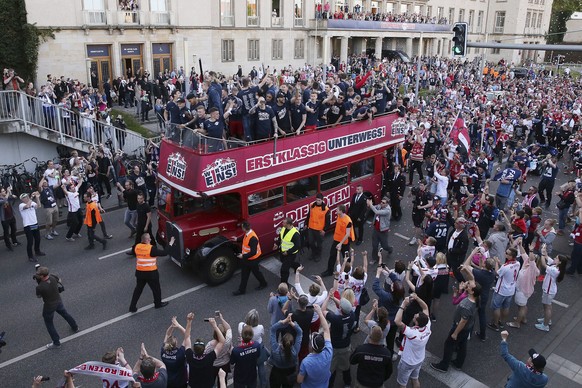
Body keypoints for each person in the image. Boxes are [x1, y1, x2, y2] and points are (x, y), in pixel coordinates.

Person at [430, 279, 481, 373]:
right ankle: (458, 363)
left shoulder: (467, 305)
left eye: (469, 285)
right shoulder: (476, 299)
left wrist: (455, 333)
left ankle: (444, 365)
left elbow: (463, 321)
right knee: (462, 345)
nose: (467, 285)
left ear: (472, 291)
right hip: (468, 328)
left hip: (460, 327)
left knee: (449, 345)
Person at [128, 233, 175, 312]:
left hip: (140, 272)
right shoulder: (151, 249)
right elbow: (164, 253)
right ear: (146, 240)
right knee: (156, 289)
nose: (150, 239)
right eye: (149, 238)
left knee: (138, 290)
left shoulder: (137, 246)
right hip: (151, 273)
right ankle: (158, 304)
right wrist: (171, 243)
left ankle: (132, 307)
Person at [34, 266, 78, 349]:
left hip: (49, 306)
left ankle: (56, 342)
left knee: (49, 323)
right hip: (58, 301)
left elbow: (38, 296)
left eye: (38, 274)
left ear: (42, 276)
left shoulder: (40, 287)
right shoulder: (53, 277)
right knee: (65, 314)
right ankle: (75, 327)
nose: (37, 275)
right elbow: (59, 280)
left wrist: (38, 284)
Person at [394, 293, 431, 388]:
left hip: (408, 361)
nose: (414, 315)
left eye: (415, 317)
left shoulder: (413, 333)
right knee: (415, 378)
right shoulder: (427, 326)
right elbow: (426, 307)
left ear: (417, 322)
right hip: (419, 359)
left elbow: (397, 321)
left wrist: (403, 305)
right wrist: (417, 298)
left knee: (402, 383)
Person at [323, 293, 356, 387]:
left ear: (340, 309)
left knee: (331, 369)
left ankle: (330, 385)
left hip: (334, 347)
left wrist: (329, 298)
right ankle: (347, 383)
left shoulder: (335, 319)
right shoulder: (352, 315)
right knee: (346, 367)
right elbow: (345, 307)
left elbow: (323, 310)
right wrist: (334, 298)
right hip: (346, 345)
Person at [297, 304, 332, 387]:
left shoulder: (306, 362)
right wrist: (320, 313)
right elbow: (326, 330)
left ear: (311, 346)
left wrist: (319, 312)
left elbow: (299, 380)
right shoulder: (329, 351)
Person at [185, 316, 225, 388]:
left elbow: (187, 337)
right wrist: (215, 326)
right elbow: (222, 342)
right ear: (204, 349)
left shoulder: (190, 356)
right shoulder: (209, 357)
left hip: (194, 385)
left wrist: (189, 321)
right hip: (208, 385)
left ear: (194, 348)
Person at [535, 246, 568, 332]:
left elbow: (543, 264)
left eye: (556, 258)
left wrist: (542, 254)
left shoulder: (555, 270)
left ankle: (545, 325)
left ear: (559, 262)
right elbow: (547, 258)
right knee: (547, 306)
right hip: (550, 290)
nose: (554, 258)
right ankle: (547, 319)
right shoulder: (556, 266)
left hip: (548, 291)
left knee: (547, 307)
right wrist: (544, 253)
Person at [488, 248, 520, 332]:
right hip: (511, 290)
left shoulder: (505, 267)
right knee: (506, 307)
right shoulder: (517, 263)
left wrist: (496, 262)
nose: (505, 254)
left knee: (496, 307)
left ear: (510, 256)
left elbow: (497, 272)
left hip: (501, 290)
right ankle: (501, 321)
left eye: (507, 253)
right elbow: (505, 268)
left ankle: (495, 324)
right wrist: (499, 263)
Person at [269, 314, 303, 388]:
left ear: (281, 341)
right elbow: (300, 333)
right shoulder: (295, 351)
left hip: (276, 373)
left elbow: (273, 329)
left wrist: (284, 321)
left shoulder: (275, 350)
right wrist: (291, 323)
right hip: (289, 374)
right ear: (292, 343)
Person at [233, 221, 268, 295]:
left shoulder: (253, 238)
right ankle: (241, 290)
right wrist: (236, 239)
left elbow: (253, 252)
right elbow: (244, 238)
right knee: (244, 274)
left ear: (244, 229)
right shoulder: (248, 233)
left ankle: (263, 283)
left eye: (242, 227)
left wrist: (243, 256)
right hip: (247, 259)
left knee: (256, 273)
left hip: (253, 260)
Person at [322, 204, 354, 277]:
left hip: (344, 243)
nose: (336, 211)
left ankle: (348, 270)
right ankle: (330, 270)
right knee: (332, 255)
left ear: (341, 211)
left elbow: (348, 234)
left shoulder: (348, 221)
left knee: (346, 257)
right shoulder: (339, 216)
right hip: (336, 240)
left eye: (337, 210)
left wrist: (340, 243)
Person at [161, 314, 192, 388]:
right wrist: (177, 325)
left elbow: (167, 334)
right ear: (176, 344)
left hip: (168, 381)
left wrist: (172, 326)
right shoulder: (180, 353)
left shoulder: (163, 351)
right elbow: (187, 336)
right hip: (180, 381)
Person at [231, 324, 262, 388]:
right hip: (252, 374)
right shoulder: (257, 345)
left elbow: (232, 362)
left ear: (242, 336)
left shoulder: (236, 351)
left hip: (240, 376)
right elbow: (258, 355)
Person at [19, 192, 46, 262]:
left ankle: (37, 251)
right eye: (25, 197)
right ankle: (30, 256)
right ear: (22, 199)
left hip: (34, 224)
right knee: (30, 241)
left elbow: (39, 206)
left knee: (37, 239)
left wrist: (37, 198)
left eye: (27, 196)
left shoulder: (32, 203)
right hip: (28, 225)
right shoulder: (21, 205)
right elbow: (27, 206)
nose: (27, 198)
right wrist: (31, 198)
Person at [273, 217, 301, 286]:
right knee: (288, 263)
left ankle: (284, 284)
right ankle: (297, 266)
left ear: (288, 224)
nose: (282, 223)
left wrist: (288, 252)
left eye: (284, 223)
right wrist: (277, 244)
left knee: (284, 269)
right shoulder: (283, 229)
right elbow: (280, 238)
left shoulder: (295, 234)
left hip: (290, 254)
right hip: (283, 252)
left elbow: (297, 246)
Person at [304, 193, 329, 262]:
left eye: (319, 200)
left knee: (319, 244)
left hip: (319, 230)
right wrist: (306, 223)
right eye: (316, 200)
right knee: (311, 242)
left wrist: (324, 230)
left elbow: (327, 221)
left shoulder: (326, 209)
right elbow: (309, 215)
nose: (317, 202)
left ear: (322, 200)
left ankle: (318, 255)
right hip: (311, 227)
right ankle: (314, 252)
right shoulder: (312, 205)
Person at [367, 196, 393, 263]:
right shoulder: (380, 206)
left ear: (387, 204)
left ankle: (390, 249)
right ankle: (374, 258)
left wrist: (370, 204)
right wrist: (370, 205)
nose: (381, 203)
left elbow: (377, 212)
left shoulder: (387, 210)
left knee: (384, 246)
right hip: (376, 229)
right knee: (374, 245)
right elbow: (375, 207)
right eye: (381, 202)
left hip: (383, 231)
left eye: (383, 203)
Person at [1, 185, 20, 251]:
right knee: (6, 233)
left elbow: (14, 198)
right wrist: (8, 193)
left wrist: (11, 194)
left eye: (4, 191)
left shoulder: (7, 196)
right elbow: (4, 201)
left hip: (11, 216)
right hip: (5, 219)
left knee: (14, 229)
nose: (5, 192)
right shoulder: (1, 199)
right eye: (3, 191)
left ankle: (14, 241)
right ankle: (8, 245)